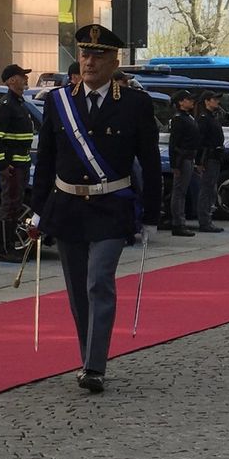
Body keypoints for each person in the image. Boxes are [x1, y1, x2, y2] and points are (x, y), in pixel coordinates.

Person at [30, 24, 161, 394]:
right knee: (77, 291)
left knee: (98, 281)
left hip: (111, 207)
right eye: (85, 55)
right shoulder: (58, 101)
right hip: (68, 207)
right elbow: (46, 160)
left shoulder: (134, 104)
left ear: (114, 62)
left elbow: (150, 162)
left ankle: (95, 366)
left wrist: (152, 214)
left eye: (98, 56)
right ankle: (87, 355)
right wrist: (38, 209)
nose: (89, 62)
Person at [0, 64, 34, 262]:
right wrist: (2, 164)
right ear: (11, 80)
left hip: (22, 163)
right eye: (22, 76)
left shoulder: (19, 103)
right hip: (12, 166)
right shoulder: (6, 105)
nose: (26, 79)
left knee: (16, 205)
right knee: (9, 205)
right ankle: (5, 249)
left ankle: (10, 246)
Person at [167, 89, 199, 237]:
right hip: (182, 158)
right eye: (188, 99)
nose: (192, 101)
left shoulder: (188, 117)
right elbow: (174, 143)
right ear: (181, 102)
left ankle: (181, 221)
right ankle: (178, 223)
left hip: (190, 157)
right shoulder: (179, 119)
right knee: (179, 192)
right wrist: (175, 164)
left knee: (183, 191)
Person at [194, 89, 225, 233]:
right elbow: (200, 141)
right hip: (208, 157)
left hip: (215, 156)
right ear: (206, 101)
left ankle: (208, 219)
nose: (217, 101)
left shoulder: (212, 117)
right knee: (206, 190)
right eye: (214, 99)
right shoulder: (203, 118)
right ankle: (204, 221)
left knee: (211, 188)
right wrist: (199, 162)